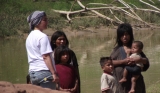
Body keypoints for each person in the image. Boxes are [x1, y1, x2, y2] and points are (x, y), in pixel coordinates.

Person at [110, 23, 150, 93]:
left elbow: (146, 62)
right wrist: (123, 61)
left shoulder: (136, 48)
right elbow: (109, 62)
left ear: (130, 35)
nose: (124, 37)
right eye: (122, 35)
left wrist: (140, 59)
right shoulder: (116, 50)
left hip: (136, 84)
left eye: (127, 34)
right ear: (119, 36)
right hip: (122, 86)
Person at [25, 11, 59, 89]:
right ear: (37, 22)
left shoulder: (29, 37)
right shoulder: (42, 36)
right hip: (44, 72)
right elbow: (46, 56)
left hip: (33, 73)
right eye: (44, 20)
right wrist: (53, 73)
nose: (47, 22)